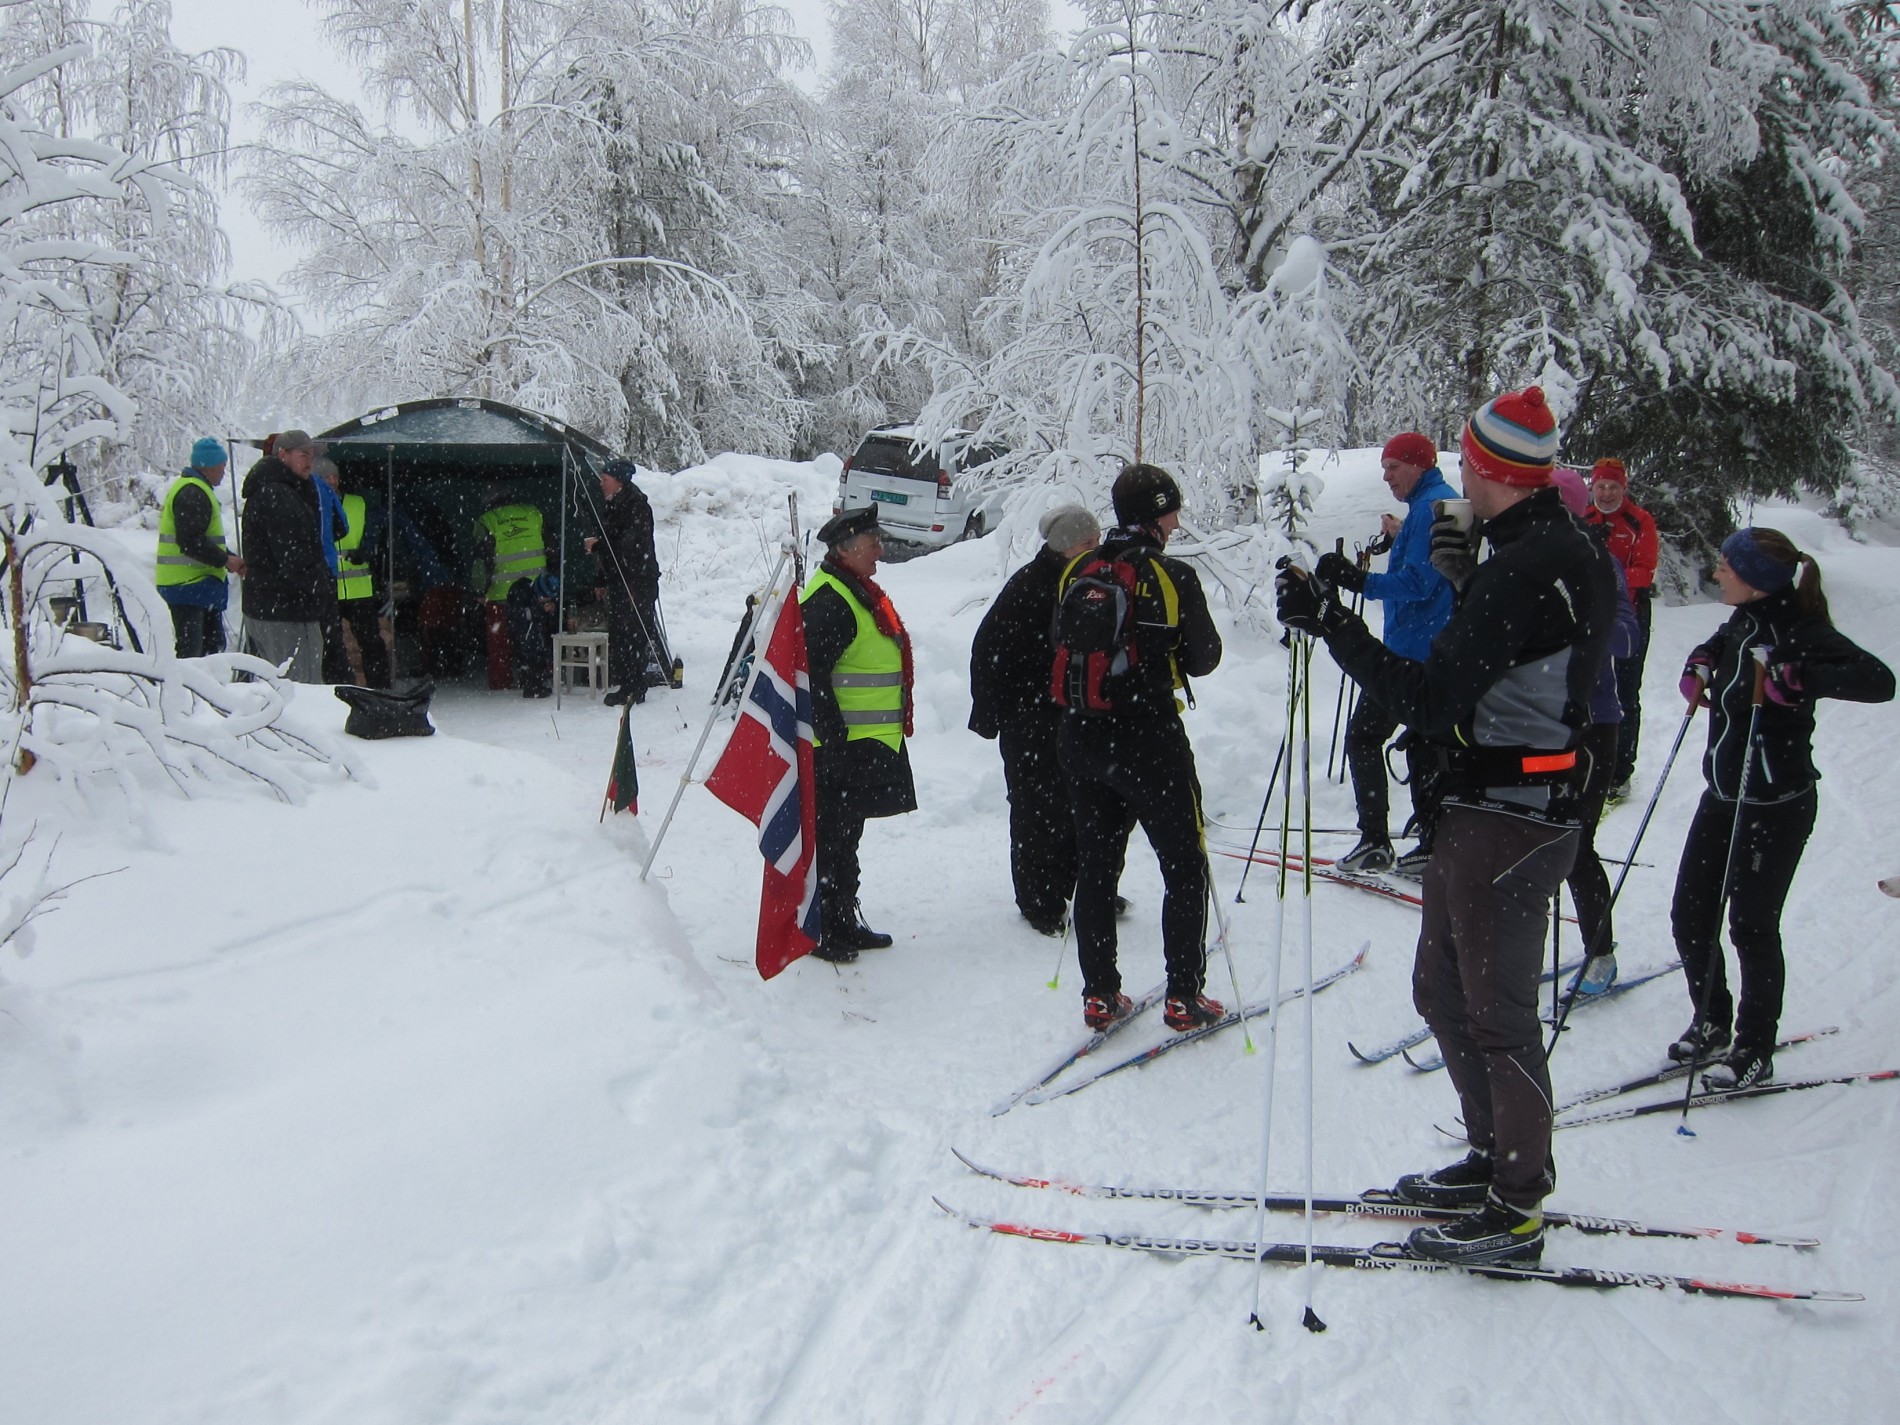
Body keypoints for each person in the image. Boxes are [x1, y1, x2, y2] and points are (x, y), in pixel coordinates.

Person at [1276, 385, 1616, 1265]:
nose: (1461, 472)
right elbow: (1521, 646)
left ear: (1494, 471)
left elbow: (1429, 702)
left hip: (1510, 813)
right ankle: (1488, 1156)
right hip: (1496, 805)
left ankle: (1516, 1208)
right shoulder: (1544, 547)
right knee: (1443, 991)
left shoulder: (1529, 565)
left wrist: (1332, 623)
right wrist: (1467, 579)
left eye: (1471, 460)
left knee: (1497, 1013)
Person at [1667, 528, 1893, 1090]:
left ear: (1755, 579)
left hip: (1777, 803)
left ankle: (1754, 1048)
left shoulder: (1802, 631)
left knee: (1751, 927)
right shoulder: (1746, 618)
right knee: (1690, 915)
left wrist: (1798, 681)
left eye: (1725, 565)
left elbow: (1879, 681)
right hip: (1723, 795)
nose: (1717, 573)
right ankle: (1713, 1019)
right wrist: (1700, 661)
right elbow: (1723, 642)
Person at [1057, 464, 1223, 1032]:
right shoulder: (1172, 575)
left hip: (1080, 734)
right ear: (1156, 513)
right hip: (1149, 739)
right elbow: (1205, 658)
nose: (1177, 521)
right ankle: (1184, 995)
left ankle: (1100, 993)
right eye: (1171, 510)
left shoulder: (1078, 570)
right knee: (1183, 863)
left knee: (1097, 867)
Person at [1315, 432, 1458, 876]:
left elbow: (1421, 583)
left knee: (1367, 736)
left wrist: (1360, 582)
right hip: (1424, 646)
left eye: (1393, 467)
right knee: (1420, 744)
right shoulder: (1432, 506)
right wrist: (1398, 539)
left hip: (1414, 651)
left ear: (1417, 464)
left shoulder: (1435, 509)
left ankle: (1381, 840)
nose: (1386, 476)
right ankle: (1430, 841)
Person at [970, 504, 1111, 936]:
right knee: (1036, 807)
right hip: (1028, 717)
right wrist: (992, 713)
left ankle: (1075, 887)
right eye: (1089, 543)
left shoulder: (1086, 583)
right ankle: (1039, 900)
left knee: (1077, 803)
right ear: (1066, 545)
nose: (1096, 549)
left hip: (1067, 713)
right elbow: (987, 647)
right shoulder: (1032, 584)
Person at [802, 506, 917, 963]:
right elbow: (812, 676)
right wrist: (834, 742)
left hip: (863, 744)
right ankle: (824, 930)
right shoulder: (831, 599)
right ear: (847, 550)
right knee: (831, 839)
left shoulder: (855, 590)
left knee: (846, 836)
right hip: (840, 747)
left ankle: (843, 920)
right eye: (874, 544)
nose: (881, 551)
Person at [1552, 466, 1640, 996]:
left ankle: (1600, 956)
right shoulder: (1520, 565)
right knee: (1532, 839)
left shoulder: (1599, 565)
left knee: (1576, 844)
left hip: (1592, 723)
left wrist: (1579, 629)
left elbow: (1628, 638)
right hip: (1537, 723)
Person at [1581, 458, 1658, 800]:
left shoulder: (1639, 520)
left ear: (1624, 490)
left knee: (1626, 693)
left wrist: (1609, 579)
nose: (1607, 493)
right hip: (1589, 615)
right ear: (1592, 487)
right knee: (1590, 689)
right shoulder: (1584, 517)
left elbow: (1645, 569)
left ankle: (1621, 770)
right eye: (1601, 486)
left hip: (1630, 612)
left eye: (1614, 487)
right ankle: (1586, 758)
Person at [239, 430, 332, 682]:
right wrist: (318, 587)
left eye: (312, 455)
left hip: (268, 606)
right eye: (303, 454)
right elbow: (294, 556)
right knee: (302, 690)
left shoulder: (271, 490)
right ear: (282, 455)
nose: (310, 461)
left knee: (279, 688)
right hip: (287, 611)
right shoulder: (279, 495)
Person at [155, 438, 246, 658]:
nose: (224, 473)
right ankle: (188, 690)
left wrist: (229, 557)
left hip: (195, 586)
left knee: (208, 649)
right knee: (193, 653)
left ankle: (201, 688)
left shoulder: (195, 489)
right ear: (209, 466)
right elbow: (191, 542)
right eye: (222, 468)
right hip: (187, 586)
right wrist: (225, 561)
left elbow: (205, 540)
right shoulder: (192, 492)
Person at [584, 459, 664, 705]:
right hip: (623, 580)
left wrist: (597, 546)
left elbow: (627, 546)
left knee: (633, 633)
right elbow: (614, 545)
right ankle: (628, 684)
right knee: (621, 633)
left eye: (604, 479)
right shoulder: (616, 504)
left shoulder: (635, 505)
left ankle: (634, 687)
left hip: (636, 580)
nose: (601, 484)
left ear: (618, 481)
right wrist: (602, 579)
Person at [316, 460, 392, 688]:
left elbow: (372, 531)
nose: (332, 481)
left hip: (360, 587)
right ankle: (336, 691)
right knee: (331, 645)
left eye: (335, 476)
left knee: (371, 643)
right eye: (326, 477)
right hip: (329, 588)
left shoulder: (358, 503)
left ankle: (379, 689)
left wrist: (366, 550)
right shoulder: (312, 503)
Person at [474, 489, 548, 690]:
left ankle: (501, 681)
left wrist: (480, 590)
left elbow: (483, 562)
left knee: (499, 643)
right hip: (535, 588)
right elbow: (552, 547)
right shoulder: (533, 514)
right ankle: (533, 676)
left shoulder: (487, 521)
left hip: (500, 593)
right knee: (533, 636)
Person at [506, 572, 561, 699]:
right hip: (523, 633)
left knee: (539, 648)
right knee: (533, 650)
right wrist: (540, 610)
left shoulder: (532, 593)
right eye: (545, 599)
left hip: (533, 634)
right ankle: (531, 684)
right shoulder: (521, 592)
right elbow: (517, 616)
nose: (545, 602)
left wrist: (552, 610)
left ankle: (536, 681)